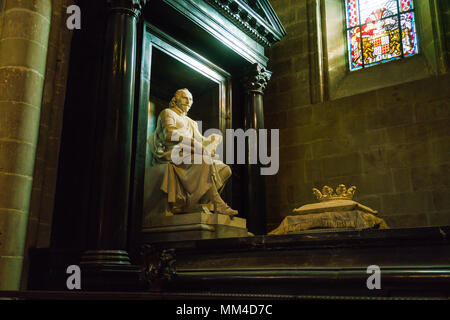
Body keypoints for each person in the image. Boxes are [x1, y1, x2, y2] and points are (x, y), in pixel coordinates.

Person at [147, 88, 237, 216]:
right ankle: (218, 204)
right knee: (204, 160)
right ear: (176, 99)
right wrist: (194, 144)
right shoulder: (168, 113)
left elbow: (201, 140)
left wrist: (212, 139)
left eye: (190, 99)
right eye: (184, 98)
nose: (188, 101)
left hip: (192, 154)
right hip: (174, 153)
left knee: (224, 169)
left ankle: (196, 202)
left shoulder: (191, 122)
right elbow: (169, 134)